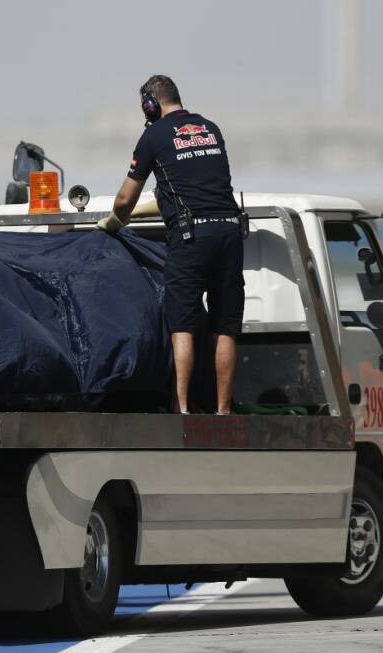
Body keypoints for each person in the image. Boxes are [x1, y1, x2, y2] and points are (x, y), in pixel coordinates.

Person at [97, 74, 244, 414]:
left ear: (151, 104)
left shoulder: (154, 135)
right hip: (230, 231)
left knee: (182, 325)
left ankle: (181, 408)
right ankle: (223, 410)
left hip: (192, 237)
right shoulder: (210, 128)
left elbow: (124, 199)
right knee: (225, 327)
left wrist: (115, 221)